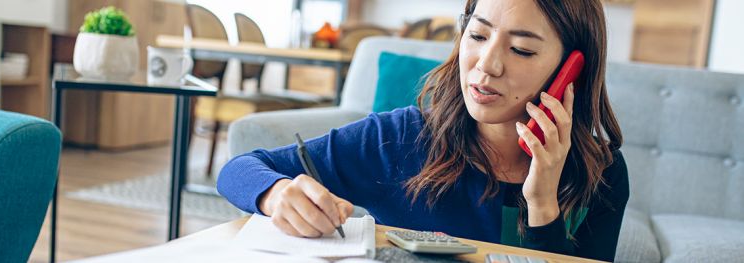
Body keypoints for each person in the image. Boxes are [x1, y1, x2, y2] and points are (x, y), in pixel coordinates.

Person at [217, 0, 628, 261]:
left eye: (521, 49)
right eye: (479, 35)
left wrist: (541, 206)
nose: (487, 64)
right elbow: (239, 169)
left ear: (571, 68)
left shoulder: (603, 173)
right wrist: (275, 194)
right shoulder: (401, 137)